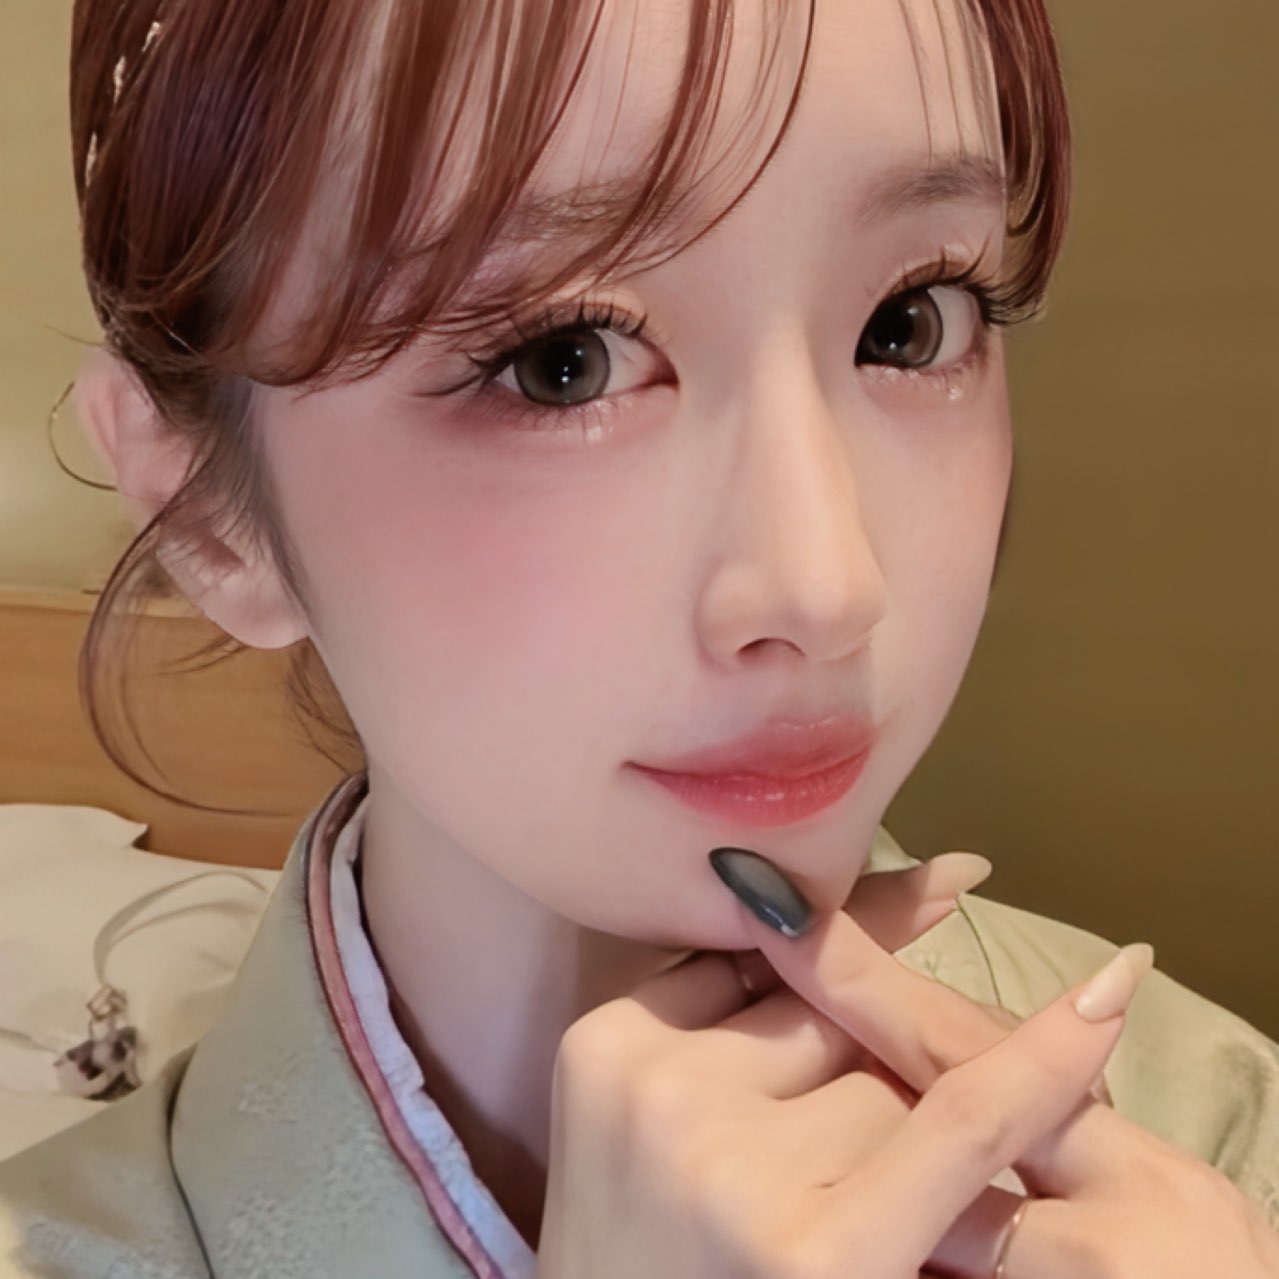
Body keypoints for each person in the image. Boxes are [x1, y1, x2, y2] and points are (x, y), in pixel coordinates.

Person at [2, 0, 1277, 1275]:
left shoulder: (1226, 1146)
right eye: (561, 361)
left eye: (911, 320)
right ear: (211, 515)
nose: (827, 584)